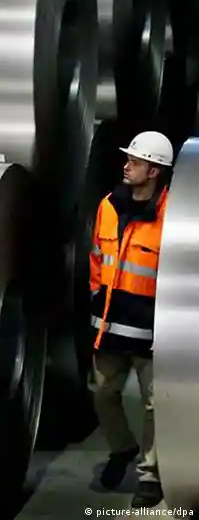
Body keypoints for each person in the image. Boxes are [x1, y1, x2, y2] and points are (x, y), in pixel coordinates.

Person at [89, 130, 173, 508]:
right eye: (128, 159)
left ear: (154, 171)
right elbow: (97, 257)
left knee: (155, 405)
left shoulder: (172, 216)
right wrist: (96, 296)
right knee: (101, 393)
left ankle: (150, 475)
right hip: (110, 325)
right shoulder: (107, 206)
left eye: (135, 162)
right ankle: (122, 447)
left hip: (153, 330)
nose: (127, 166)